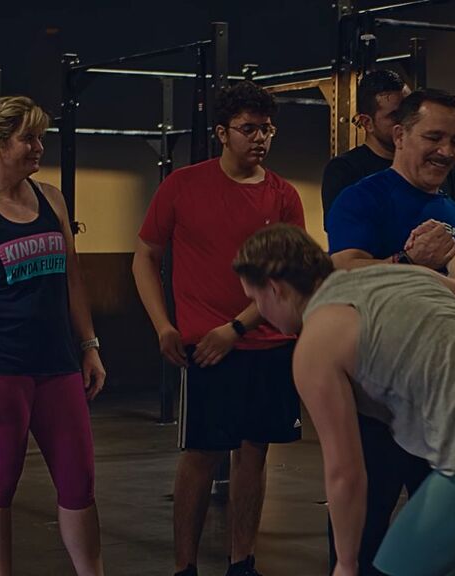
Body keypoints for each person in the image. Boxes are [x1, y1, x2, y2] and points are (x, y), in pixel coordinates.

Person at [233, 223, 455, 576]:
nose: (260, 312)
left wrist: (347, 564)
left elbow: (345, 474)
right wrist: (454, 249)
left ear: (275, 289)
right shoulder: (398, 276)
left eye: (256, 300)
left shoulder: (316, 343)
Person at [132, 81, 305, 576]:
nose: (260, 138)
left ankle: (241, 561)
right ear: (222, 134)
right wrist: (163, 325)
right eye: (248, 129)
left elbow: (286, 274)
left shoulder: (283, 196)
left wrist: (236, 326)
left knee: (254, 454)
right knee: (201, 455)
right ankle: (185, 566)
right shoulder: (183, 186)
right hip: (204, 349)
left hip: (266, 344)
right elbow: (145, 256)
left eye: (266, 129)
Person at [323, 87, 455, 575]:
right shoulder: (362, 198)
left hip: (437, 405)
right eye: (434, 137)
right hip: (375, 402)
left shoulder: (451, 212)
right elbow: (348, 274)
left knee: (441, 544)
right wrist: (414, 263)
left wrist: (420, 272)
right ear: (399, 135)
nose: (447, 151)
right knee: (359, 543)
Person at [0, 95, 106, 575]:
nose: (38, 148)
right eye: (28, 138)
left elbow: (72, 279)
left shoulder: (52, 197)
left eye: (41, 138)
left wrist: (89, 346)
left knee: (79, 483)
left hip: (58, 365)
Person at [320, 69, 455, 261]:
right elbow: (347, 268)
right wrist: (410, 260)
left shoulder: (450, 198)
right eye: (433, 137)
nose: (446, 152)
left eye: (454, 142)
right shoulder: (354, 186)